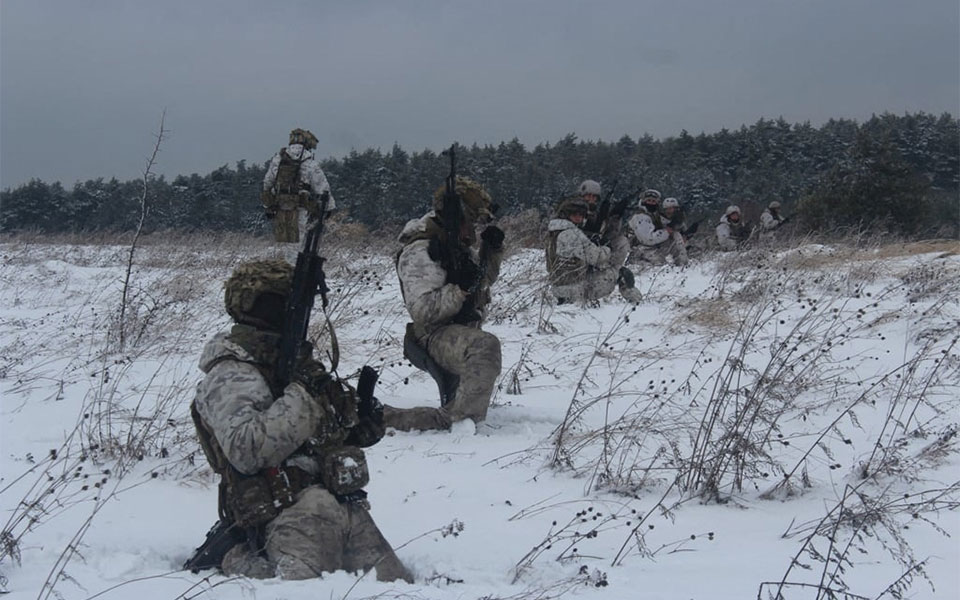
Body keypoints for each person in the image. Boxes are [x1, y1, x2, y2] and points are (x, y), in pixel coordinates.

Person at [191, 260, 411, 582]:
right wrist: (303, 396)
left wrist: (359, 425)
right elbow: (247, 450)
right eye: (283, 301)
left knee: (396, 587)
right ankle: (239, 560)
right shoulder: (232, 372)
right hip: (287, 512)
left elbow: (326, 435)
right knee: (303, 589)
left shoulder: (293, 364)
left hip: (343, 506)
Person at [386, 176, 504, 432]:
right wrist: (458, 289)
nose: (474, 229)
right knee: (485, 346)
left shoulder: (456, 245)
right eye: (472, 220)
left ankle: (455, 413)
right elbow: (422, 311)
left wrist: (491, 252)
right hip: (431, 335)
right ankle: (458, 421)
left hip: (456, 330)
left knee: (481, 348)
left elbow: (481, 282)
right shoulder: (422, 249)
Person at [546, 198, 643, 304]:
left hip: (559, 286)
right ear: (565, 214)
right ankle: (636, 302)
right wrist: (607, 247)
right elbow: (596, 258)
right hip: (575, 289)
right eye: (574, 214)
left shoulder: (554, 232)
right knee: (621, 273)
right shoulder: (572, 234)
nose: (579, 217)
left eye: (581, 214)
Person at [262, 128, 336, 250]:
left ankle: (286, 265)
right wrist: (329, 207)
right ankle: (295, 265)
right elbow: (322, 187)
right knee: (298, 241)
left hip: (280, 204)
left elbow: (267, 182)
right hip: (300, 205)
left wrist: (267, 205)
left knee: (285, 242)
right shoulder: (309, 161)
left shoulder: (278, 159)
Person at [627, 190, 687, 266]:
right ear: (643, 201)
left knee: (676, 236)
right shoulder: (640, 217)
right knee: (658, 265)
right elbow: (648, 239)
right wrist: (667, 231)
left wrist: (677, 221)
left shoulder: (654, 214)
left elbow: (667, 224)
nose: (651, 203)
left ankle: (682, 265)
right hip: (640, 250)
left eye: (653, 201)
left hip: (653, 248)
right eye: (649, 200)